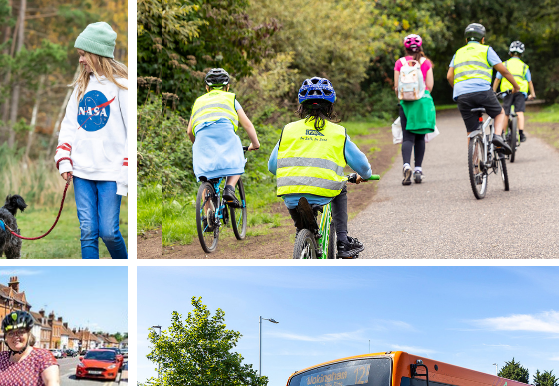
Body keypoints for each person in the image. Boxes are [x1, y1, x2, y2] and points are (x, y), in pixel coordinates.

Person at [268, 77, 373, 259]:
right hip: (324, 191)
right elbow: (363, 166)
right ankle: (342, 241)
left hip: (290, 193)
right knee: (341, 187)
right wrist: (365, 175)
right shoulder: (338, 133)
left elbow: (271, 166)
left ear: (302, 106)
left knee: (301, 226)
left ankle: (302, 237)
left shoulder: (288, 129)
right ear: (330, 106)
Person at [54, 22, 128, 259]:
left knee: (109, 232)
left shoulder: (121, 86)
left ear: (98, 54)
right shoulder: (80, 87)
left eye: (84, 54)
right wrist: (64, 159)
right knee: (87, 232)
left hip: (110, 172)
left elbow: (130, 132)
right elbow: (68, 126)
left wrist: (126, 170)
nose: (80, 60)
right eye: (79, 55)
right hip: (82, 172)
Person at [186, 68, 261, 204]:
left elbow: (189, 132)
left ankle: (208, 219)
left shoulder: (198, 102)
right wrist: (255, 144)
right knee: (238, 160)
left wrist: (198, 145)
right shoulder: (230, 98)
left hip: (202, 140)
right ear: (227, 87)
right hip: (225, 135)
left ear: (207, 87)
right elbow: (247, 125)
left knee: (206, 179)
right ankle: (229, 188)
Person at [447, 23, 519, 157]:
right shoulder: (486, 50)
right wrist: (516, 86)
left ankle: (475, 167)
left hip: (462, 94)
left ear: (466, 40)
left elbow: (449, 76)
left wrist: (458, 89)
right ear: (482, 39)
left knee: (471, 131)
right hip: (482, 91)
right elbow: (503, 71)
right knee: (499, 113)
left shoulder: (458, 52)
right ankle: (497, 137)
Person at [394, 34, 436, 185]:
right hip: (422, 102)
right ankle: (418, 169)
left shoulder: (400, 63)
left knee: (407, 136)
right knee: (420, 137)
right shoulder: (426, 63)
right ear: (420, 47)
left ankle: (406, 165)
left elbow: (396, 86)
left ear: (405, 48)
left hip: (406, 103)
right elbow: (429, 86)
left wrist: (402, 99)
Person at [492, 40, 537, 143]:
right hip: (520, 92)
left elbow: (497, 79)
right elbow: (530, 82)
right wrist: (532, 94)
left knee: (506, 113)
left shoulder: (505, 64)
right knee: (519, 112)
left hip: (507, 91)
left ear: (510, 53)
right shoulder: (524, 66)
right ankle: (521, 133)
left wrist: (494, 92)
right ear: (522, 54)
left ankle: (502, 136)